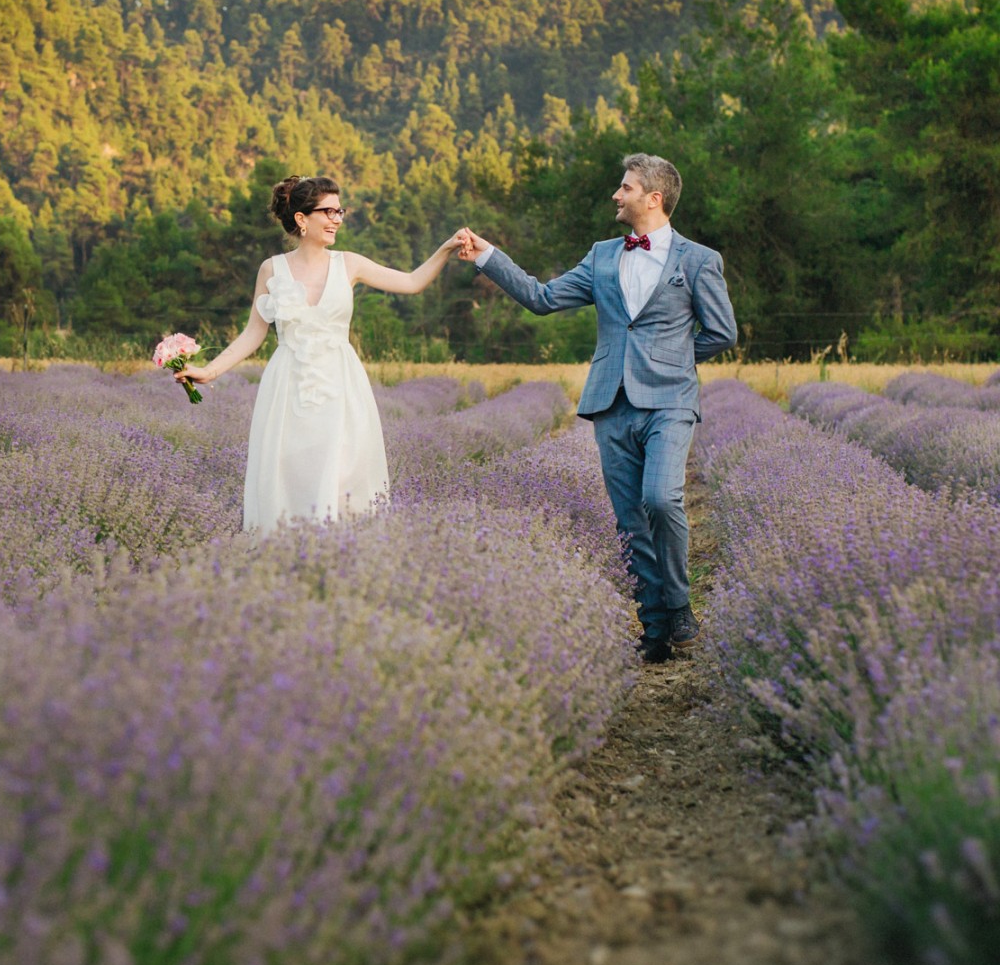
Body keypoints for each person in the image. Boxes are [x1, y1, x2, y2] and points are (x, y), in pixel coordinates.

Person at [458, 154, 737, 663]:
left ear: (653, 198)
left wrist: (668, 359)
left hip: (670, 399)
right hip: (610, 402)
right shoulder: (602, 256)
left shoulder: (699, 260)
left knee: (662, 499)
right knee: (630, 520)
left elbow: (722, 332)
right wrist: (487, 256)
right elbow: (542, 299)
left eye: (625, 187)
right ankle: (652, 627)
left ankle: (676, 603)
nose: (616, 194)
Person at [178, 174, 466, 532]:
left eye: (339, 211)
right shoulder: (272, 269)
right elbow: (253, 333)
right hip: (288, 388)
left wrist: (445, 249)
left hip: (340, 384)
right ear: (302, 219)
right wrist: (209, 371)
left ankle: (340, 560)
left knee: (344, 472)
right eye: (328, 211)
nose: (337, 219)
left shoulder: (350, 263)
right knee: (289, 473)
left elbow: (411, 282)